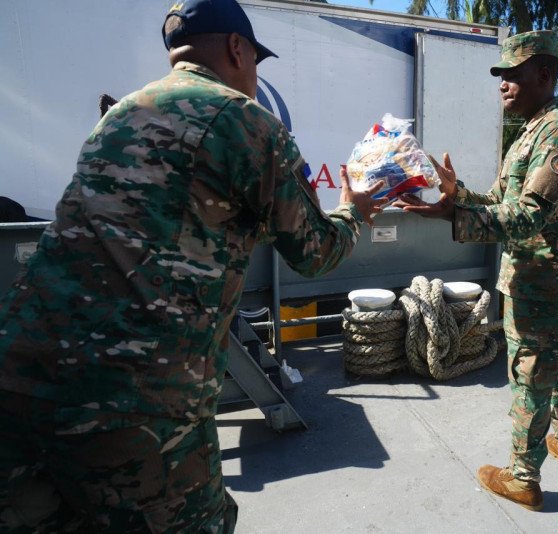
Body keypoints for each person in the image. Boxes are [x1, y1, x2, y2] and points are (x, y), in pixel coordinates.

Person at [0, 0, 385, 531]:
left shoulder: (120, 112)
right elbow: (316, 252)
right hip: (136, 402)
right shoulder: (245, 119)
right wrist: (355, 210)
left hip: (20, 376)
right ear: (236, 49)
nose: (252, 77)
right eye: (254, 62)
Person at [394, 30, 558, 511]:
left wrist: (452, 216)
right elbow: (503, 203)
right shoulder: (534, 130)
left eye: (513, 74)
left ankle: (523, 477)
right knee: (553, 362)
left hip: (550, 280)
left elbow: (529, 215)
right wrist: (459, 194)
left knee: (530, 370)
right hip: (545, 276)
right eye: (500, 76)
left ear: (544, 75)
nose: (503, 85)